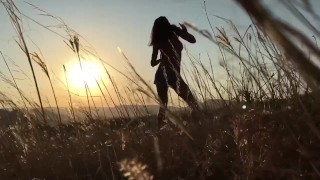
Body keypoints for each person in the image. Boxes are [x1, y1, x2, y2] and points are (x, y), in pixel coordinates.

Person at [149, 16, 200, 128]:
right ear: (167, 24)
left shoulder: (158, 40)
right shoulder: (174, 31)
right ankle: (195, 127)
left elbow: (152, 63)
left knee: (164, 106)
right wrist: (184, 31)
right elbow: (193, 40)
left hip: (161, 75)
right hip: (172, 75)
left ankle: (160, 132)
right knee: (193, 103)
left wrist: (161, 60)